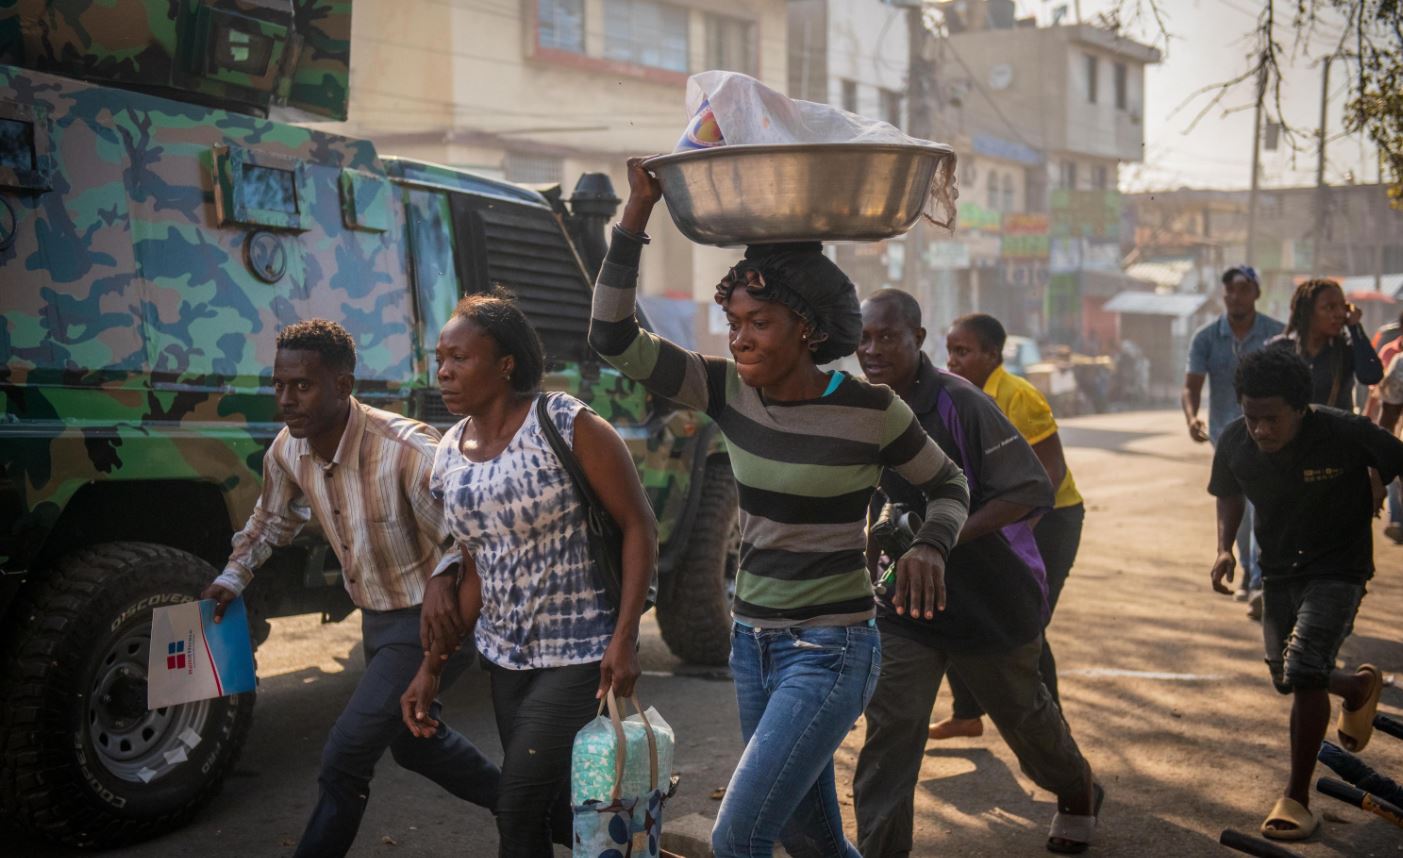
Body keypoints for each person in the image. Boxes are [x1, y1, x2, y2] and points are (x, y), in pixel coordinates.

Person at [590, 159, 971, 858]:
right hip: (752, 646)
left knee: (738, 839)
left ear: (807, 327)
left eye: (757, 322)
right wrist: (637, 213)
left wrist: (927, 545)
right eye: (732, 321)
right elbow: (610, 336)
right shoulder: (724, 391)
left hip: (831, 651)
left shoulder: (870, 410)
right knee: (812, 838)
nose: (737, 338)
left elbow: (949, 486)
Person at [201, 319, 499, 858]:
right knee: (416, 746)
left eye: (303, 386)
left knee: (345, 754)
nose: (287, 400)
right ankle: (531, 810)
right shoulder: (289, 448)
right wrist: (232, 577)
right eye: (279, 385)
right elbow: (271, 520)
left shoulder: (406, 451)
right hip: (378, 622)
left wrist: (442, 589)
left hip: (433, 622)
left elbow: (472, 538)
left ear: (343, 385)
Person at [399, 289, 658, 858]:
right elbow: (476, 568)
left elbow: (640, 527)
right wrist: (432, 667)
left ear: (505, 363)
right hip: (507, 659)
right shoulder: (449, 452)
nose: (443, 371)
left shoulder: (565, 423)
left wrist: (625, 637)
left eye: (459, 358)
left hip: (580, 653)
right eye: (440, 358)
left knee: (515, 811)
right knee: (541, 811)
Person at [855, 291, 1102, 856]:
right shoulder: (867, 406)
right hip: (907, 607)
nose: (872, 349)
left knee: (1025, 720)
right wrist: (872, 580)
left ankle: (1076, 789)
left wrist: (936, 539)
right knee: (891, 731)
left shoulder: (960, 403)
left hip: (990, 597)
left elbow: (1030, 487)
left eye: (887, 337)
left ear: (918, 338)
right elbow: (874, 503)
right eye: (864, 337)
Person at [1207, 346, 1401, 841]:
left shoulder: (1344, 431)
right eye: (1253, 418)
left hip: (1340, 566)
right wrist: (1225, 548)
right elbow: (1227, 492)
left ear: (1300, 408)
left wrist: (1376, 478)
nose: (1261, 430)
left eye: (1272, 419)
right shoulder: (1235, 441)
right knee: (1287, 676)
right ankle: (1357, 688)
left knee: (1306, 668)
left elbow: (1394, 456)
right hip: (1279, 571)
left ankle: (1296, 798)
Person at [935, 311, 1086, 738]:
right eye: (950, 351)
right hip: (1000, 519)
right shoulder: (957, 394)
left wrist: (1023, 533)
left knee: (1028, 623)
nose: (953, 361)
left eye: (963, 352)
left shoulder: (1020, 396)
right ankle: (967, 714)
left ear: (993, 354)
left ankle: (1055, 732)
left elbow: (1050, 472)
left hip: (1051, 518)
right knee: (962, 604)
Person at [1181, 265, 1285, 616]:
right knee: (1236, 508)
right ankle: (1247, 572)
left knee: (1261, 505)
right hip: (1226, 437)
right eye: (1229, 292)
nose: (1235, 297)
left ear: (1256, 292)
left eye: (1242, 290)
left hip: (1269, 436)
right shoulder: (1206, 337)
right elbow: (1191, 386)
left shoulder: (1276, 335)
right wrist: (1192, 416)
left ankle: (1258, 581)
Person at [1271, 278, 1383, 411]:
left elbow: (1371, 375)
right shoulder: (1282, 350)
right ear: (1308, 311)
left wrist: (1355, 327)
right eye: (1329, 307)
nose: (1340, 314)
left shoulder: (1345, 350)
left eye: (1343, 307)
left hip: (1337, 429)